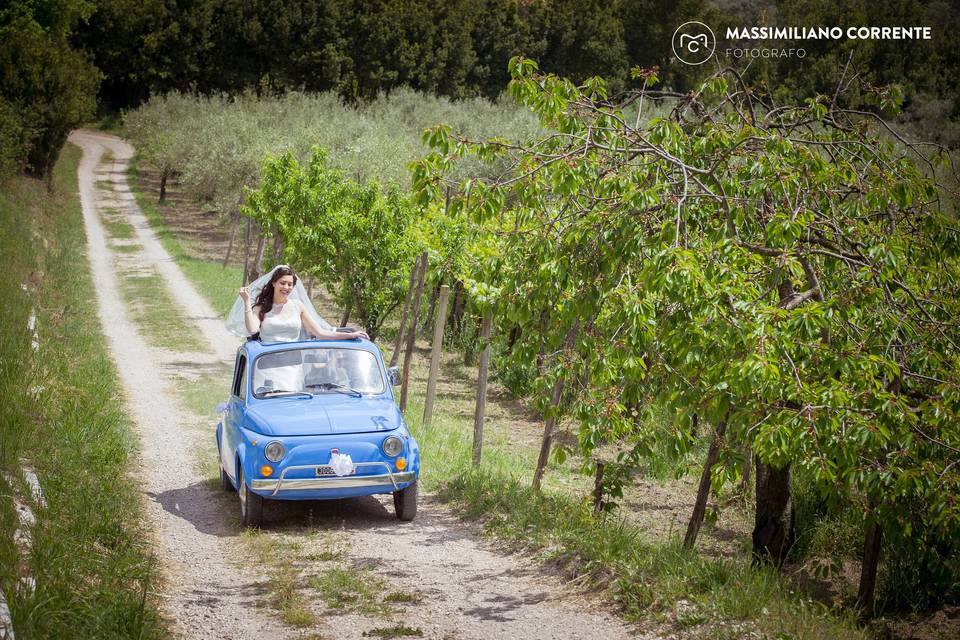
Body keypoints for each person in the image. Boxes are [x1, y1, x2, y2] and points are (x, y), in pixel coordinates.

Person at [230, 265, 369, 392]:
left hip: (292, 368)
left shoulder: (298, 306)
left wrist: (350, 335)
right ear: (274, 283)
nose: (286, 287)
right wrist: (247, 301)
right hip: (268, 367)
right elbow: (252, 329)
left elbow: (320, 333)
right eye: (282, 283)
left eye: (290, 284)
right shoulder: (261, 308)